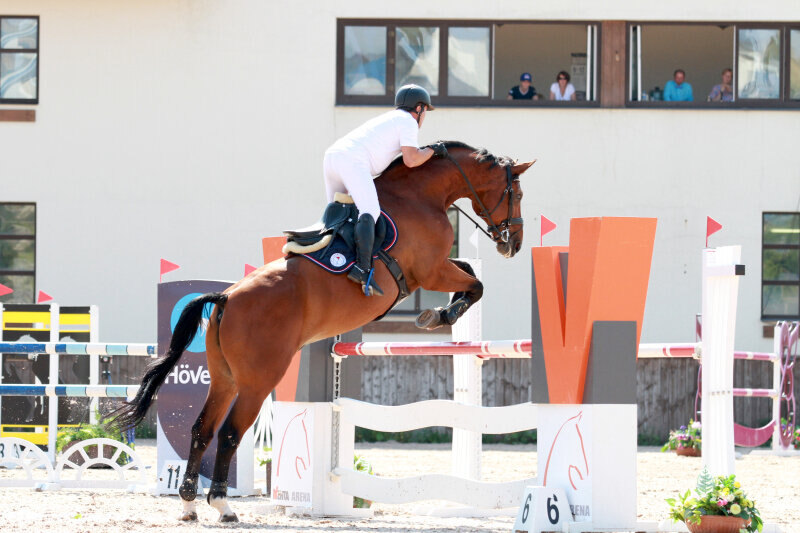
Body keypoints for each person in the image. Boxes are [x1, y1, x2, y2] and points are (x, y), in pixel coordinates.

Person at [323, 84, 446, 297]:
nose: (424, 115)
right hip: (352, 160)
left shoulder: (390, 119)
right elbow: (412, 159)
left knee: (337, 215)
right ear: (418, 108)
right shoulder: (408, 122)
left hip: (333, 157)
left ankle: (330, 261)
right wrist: (434, 149)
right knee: (370, 211)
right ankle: (362, 269)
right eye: (425, 110)